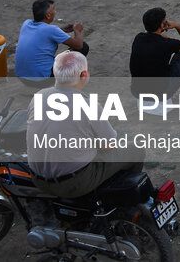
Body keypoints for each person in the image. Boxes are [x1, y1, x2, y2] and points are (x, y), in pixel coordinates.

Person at [26, 52, 143, 198]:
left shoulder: (39, 96)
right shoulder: (89, 105)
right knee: (135, 149)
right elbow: (108, 145)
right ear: (83, 75)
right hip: (72, 184)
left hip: (37, 179)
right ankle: (126, 197)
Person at [129, 7, 180, 98]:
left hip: (137, 92)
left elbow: (153, 42)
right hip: (160, 94)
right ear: (161, 25)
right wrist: (177, 26)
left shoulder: (138, 38)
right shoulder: (166, 44)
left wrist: (163, 39)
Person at [15, 0, 88, 84]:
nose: (55, 11)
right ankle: (68, 81)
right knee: (84, 47)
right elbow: (79, 45)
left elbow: (43, 34)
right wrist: (77, 31)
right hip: (43, 81)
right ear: (48, 16)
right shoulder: (52, 30)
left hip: (23, 78)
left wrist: (61, 31)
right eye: (53, 9)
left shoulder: (26, 24)